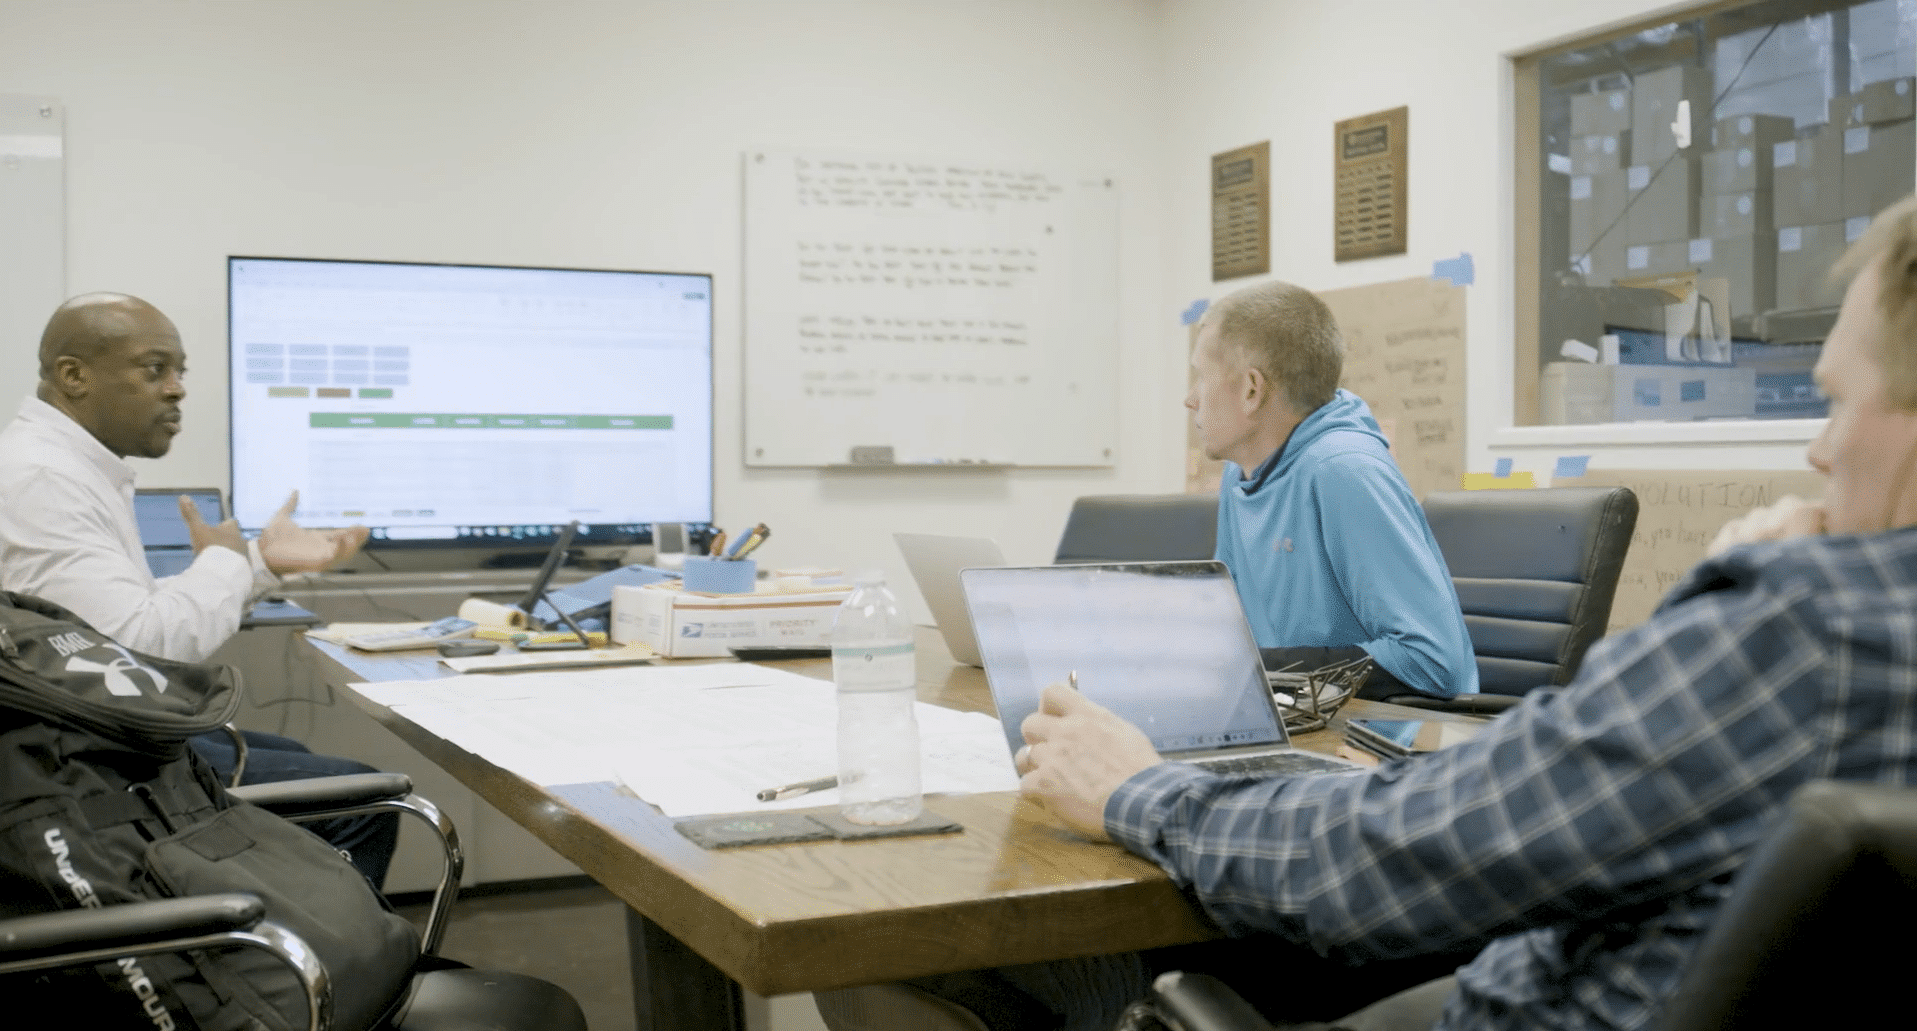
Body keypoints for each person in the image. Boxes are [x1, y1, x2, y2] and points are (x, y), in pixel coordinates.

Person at [1016, 197, 1917, 1030]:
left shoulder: (1800, 629)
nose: (1817, 445)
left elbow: (1387, 862)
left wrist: (1137, 789)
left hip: (1501, 979)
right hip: (1568, 945)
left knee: (1035, 978)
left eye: (1834, 399)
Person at [0, 292, 395, 887]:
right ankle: (319, 966)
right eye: (154, 368)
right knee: (360, 800)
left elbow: (117, 623)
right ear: (74, 376)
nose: (178, 388)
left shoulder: (65, 465)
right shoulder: (40, 480)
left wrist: (258, 561)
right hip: (93, 763)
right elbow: (136, 649)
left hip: (94, 736)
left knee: (310, 765)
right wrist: (224, 562)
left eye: (180, 370)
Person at [1186, 281, 1475, 699]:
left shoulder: (1344, 472)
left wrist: (1264, 668)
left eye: (1200, 377)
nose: (1190, 399)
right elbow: (1226, 621)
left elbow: (1434, 662)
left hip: (1377, 742)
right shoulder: (1242, 471)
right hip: (1296, 714)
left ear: (1252, 390)